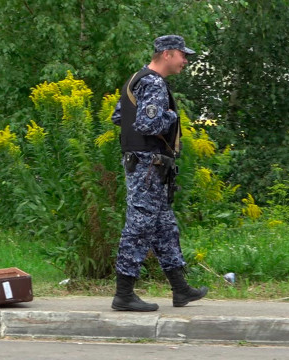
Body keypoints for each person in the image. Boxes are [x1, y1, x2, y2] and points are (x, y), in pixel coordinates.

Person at [111, 35, 208, 311]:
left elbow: (119, 116)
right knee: (139, 227)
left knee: (165, 228)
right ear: (167, 54)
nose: (185, 60)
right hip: (147, 167)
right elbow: (148, 124)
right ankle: (123, 294)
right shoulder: (153, 83)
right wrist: (172, 116)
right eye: (182, 55)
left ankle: (180, 290)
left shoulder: (137, 78)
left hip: (145, 164)